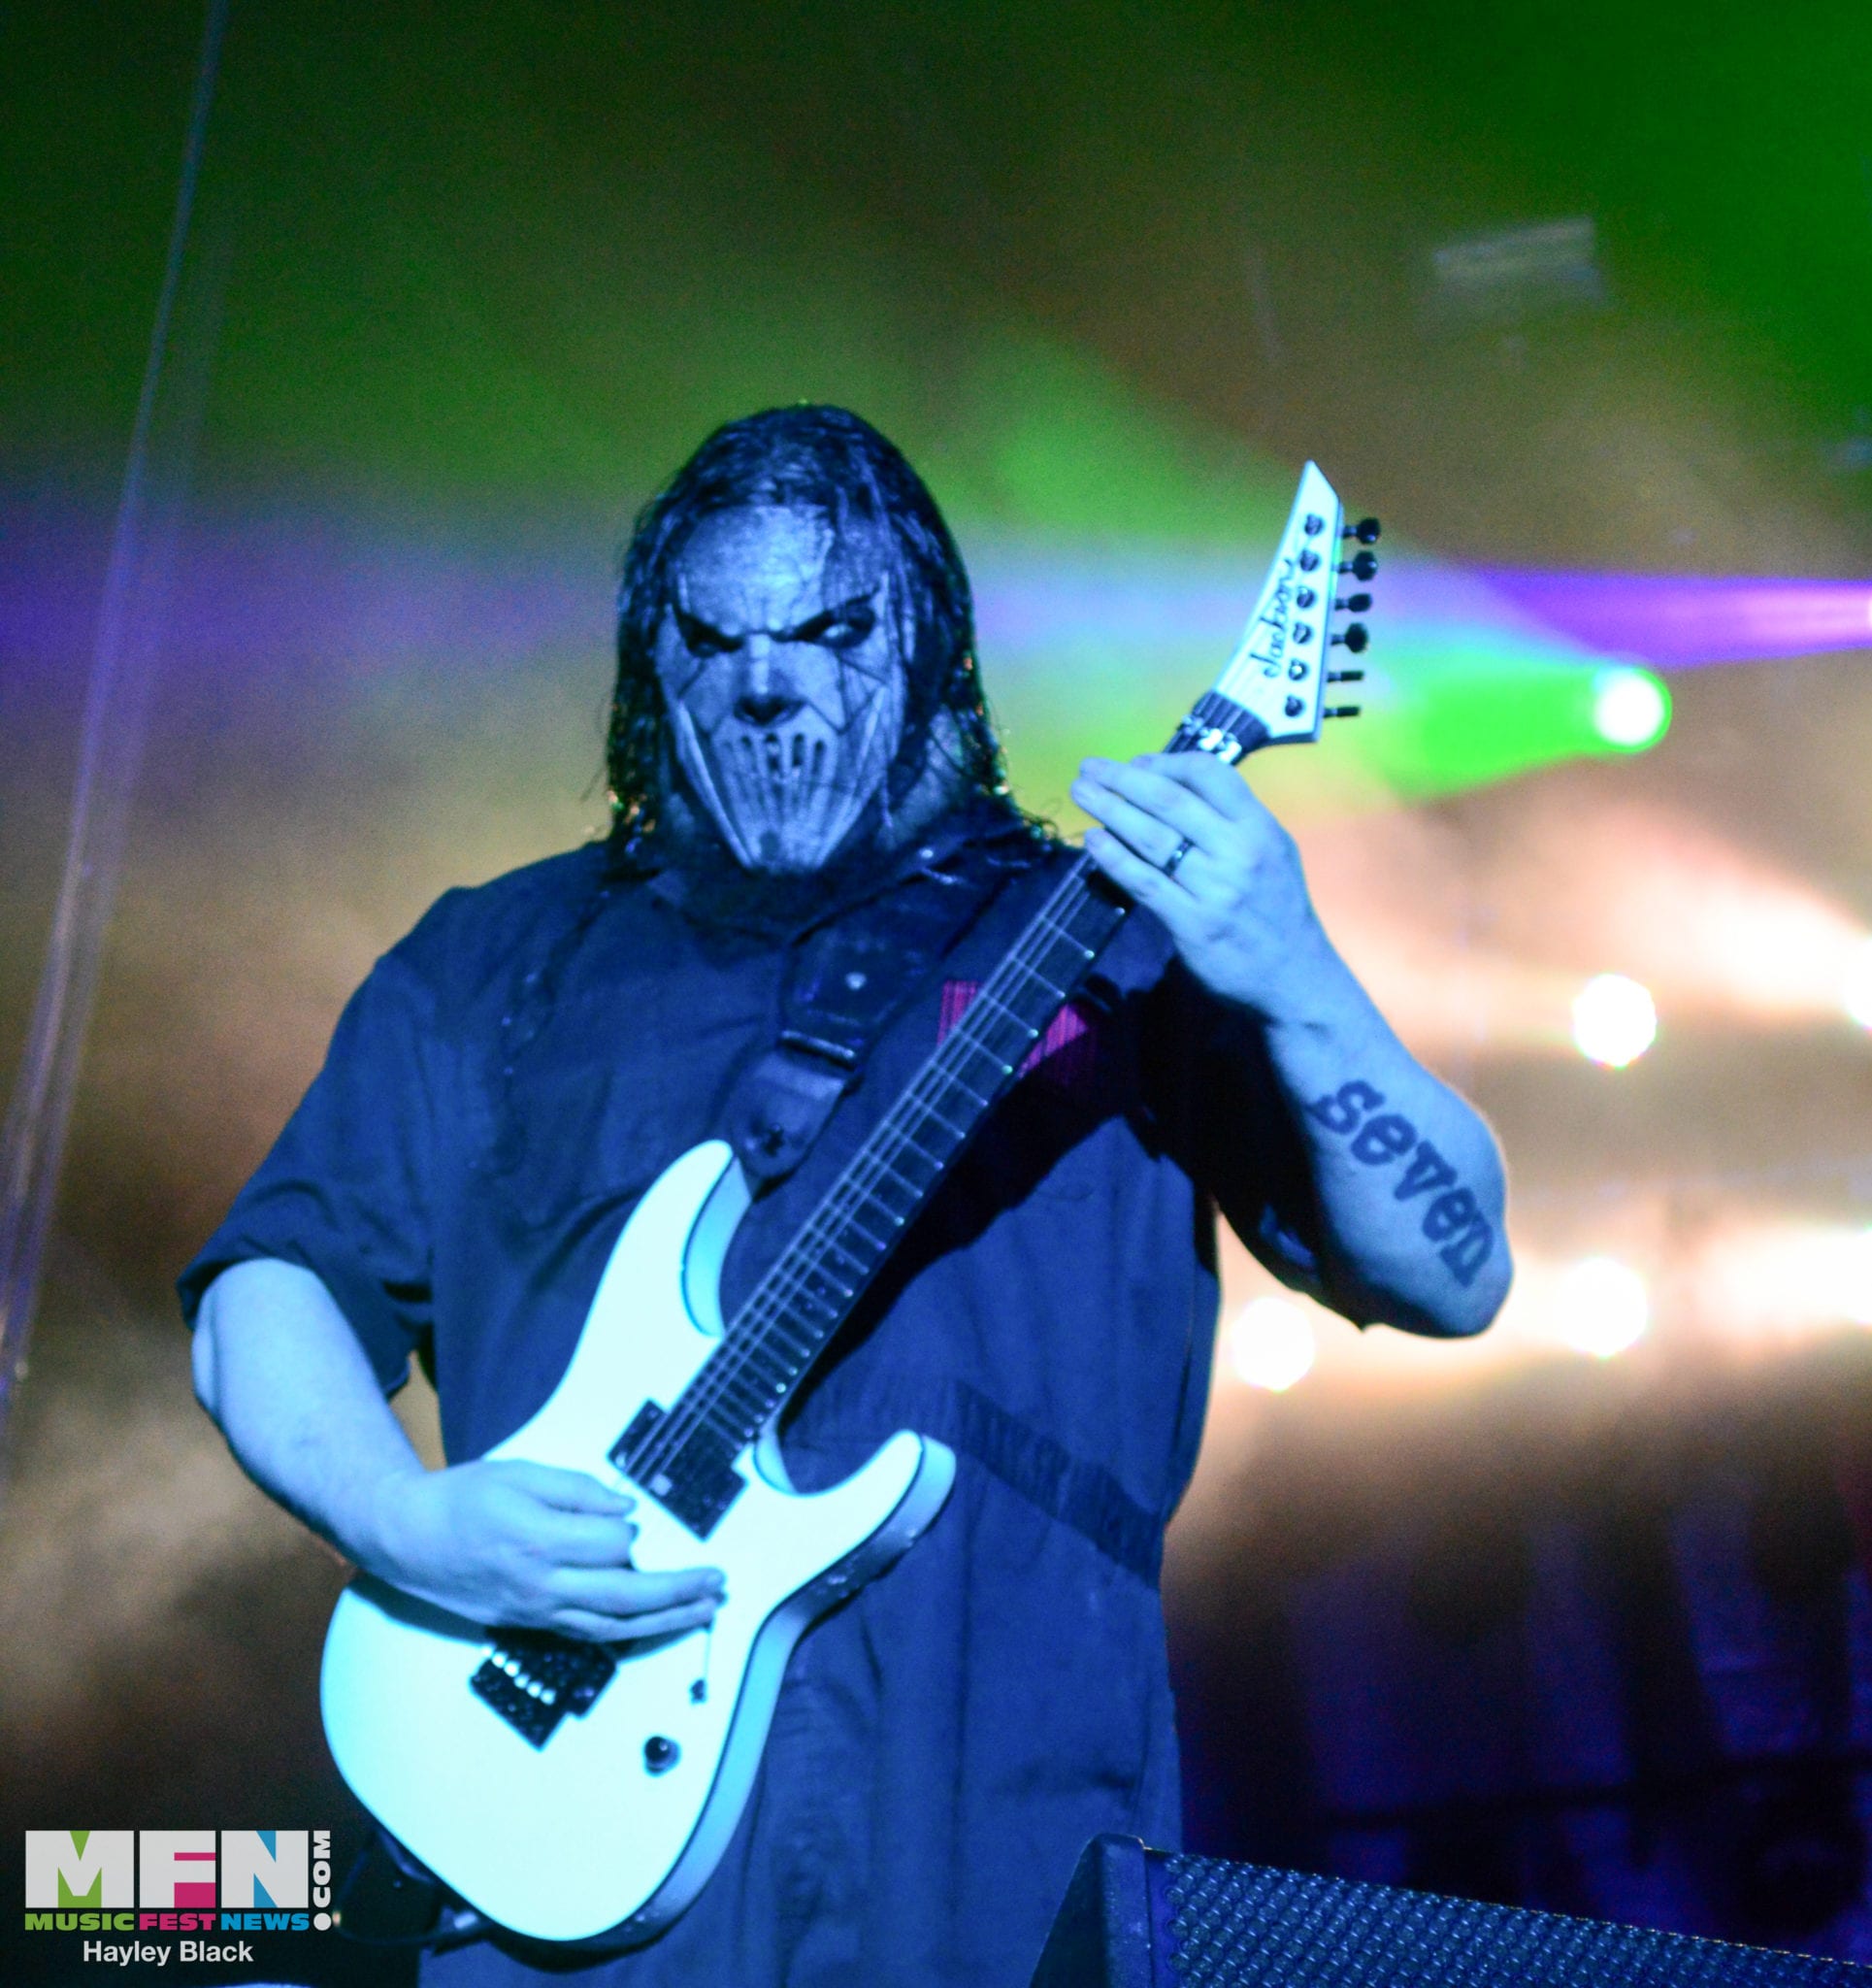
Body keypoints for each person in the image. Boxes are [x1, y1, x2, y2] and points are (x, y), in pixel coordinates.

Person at [181, 405, 1510, 1986]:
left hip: (991, 1860)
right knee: (116, 1908)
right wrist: (400, 1521)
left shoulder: (1117, 943)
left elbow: (1453, 1269)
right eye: (712, 638)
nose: (766, 681)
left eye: (829, 632)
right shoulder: (488, 961)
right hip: (544, 1857)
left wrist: (1290, 970)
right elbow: (273, 1282)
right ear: (648, 660)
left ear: (928, 644)